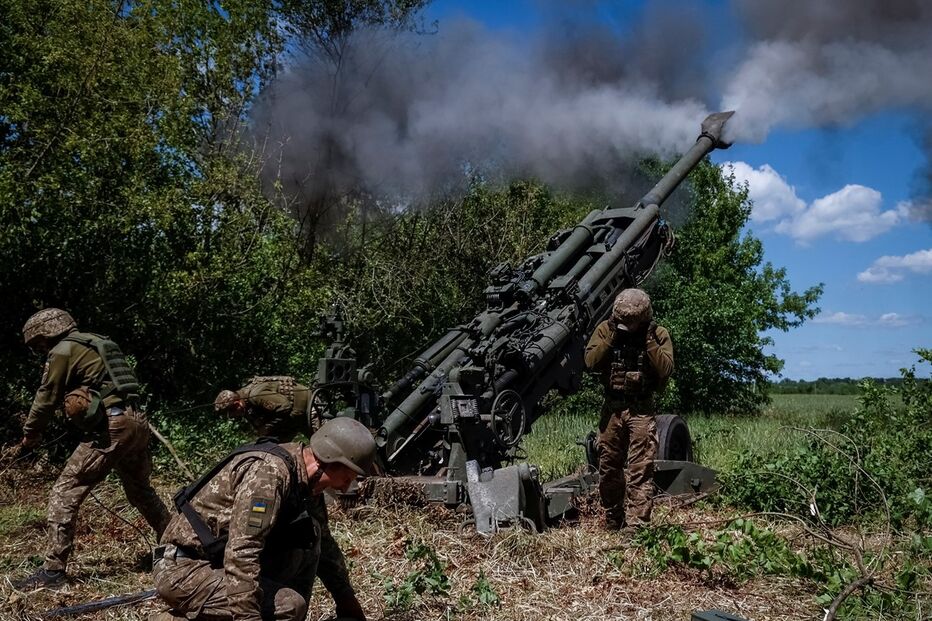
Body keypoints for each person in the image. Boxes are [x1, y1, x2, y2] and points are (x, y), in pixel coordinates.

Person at [150, 416, 376, 621]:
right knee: (289, 606)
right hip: (183, 567)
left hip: (217, 560)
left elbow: (325, 546)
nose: (345, 487)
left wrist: (346, 600)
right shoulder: (268, 476)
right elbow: (243, 553)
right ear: (325, 461)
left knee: (309, 535)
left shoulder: (306, 483)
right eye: (345, 478)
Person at [12, 308, 170, 589]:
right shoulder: (98, 342)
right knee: (140, 490)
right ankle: (176, 546)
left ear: (46, 333)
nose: (39, 350)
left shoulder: (63, 350)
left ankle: (52, 572)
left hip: (112, 426)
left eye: (37, 344)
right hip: (137, 421)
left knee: (65, 490)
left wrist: (31, 435)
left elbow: (46, 396)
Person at [584, 289, 674, 530]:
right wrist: (613, 334)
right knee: (609, 466)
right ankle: (613, 518)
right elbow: (590, 362)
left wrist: (648, 340)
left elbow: (665, 369)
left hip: (641, 409)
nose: (628, 326)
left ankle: (636, 525)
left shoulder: (657, 334)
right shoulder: (606, 330)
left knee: (640, 468)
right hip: (612, 408)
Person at [214, 376, 312, 442]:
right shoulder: (247, 408)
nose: (231, 416)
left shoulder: (255, 396)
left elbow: (285, 406)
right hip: (292, 419)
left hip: (309, 405)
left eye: (231, 412)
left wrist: (267, 427)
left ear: (237, 404)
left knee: (323, 444)